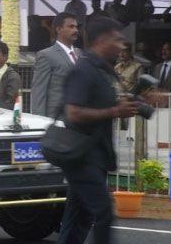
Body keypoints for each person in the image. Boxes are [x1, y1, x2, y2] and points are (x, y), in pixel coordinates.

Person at [58, 17, 142, 244]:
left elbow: (118, 99)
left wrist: (144, 100)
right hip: (81, 154)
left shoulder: (106, 71)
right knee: (103, 212)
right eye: (118, 40)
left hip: (98, 152)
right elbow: (73, 112)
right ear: (102, 40)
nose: (122, 45)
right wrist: (115, 111)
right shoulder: (84, 70)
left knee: (79, 217)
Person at [31, 12, 81, 117]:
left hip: (79, 120)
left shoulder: (80, 54)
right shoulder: (46, 55)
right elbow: (39, 91)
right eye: (71, 26)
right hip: (57, 119)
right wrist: (39, 121)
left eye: (76, 27)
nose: (76, 30)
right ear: (59, 29)